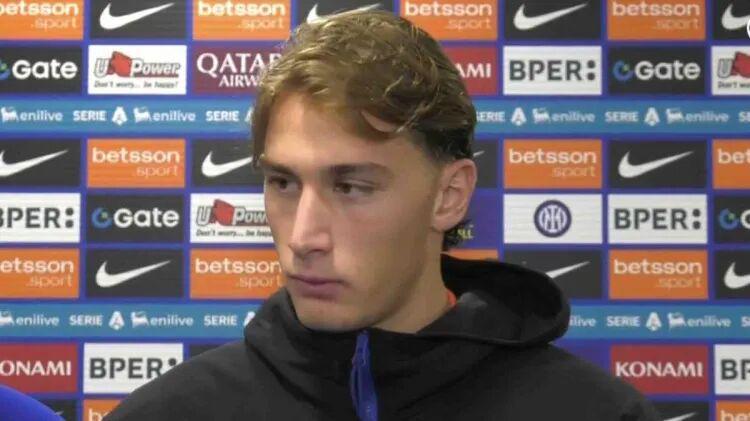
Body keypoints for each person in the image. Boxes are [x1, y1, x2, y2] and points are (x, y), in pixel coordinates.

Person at [105, 9, 659, 421]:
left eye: (351, 187)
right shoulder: (169, 413)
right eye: (283, 183)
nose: (303, 237)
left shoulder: (594, 413)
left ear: (449, 196)